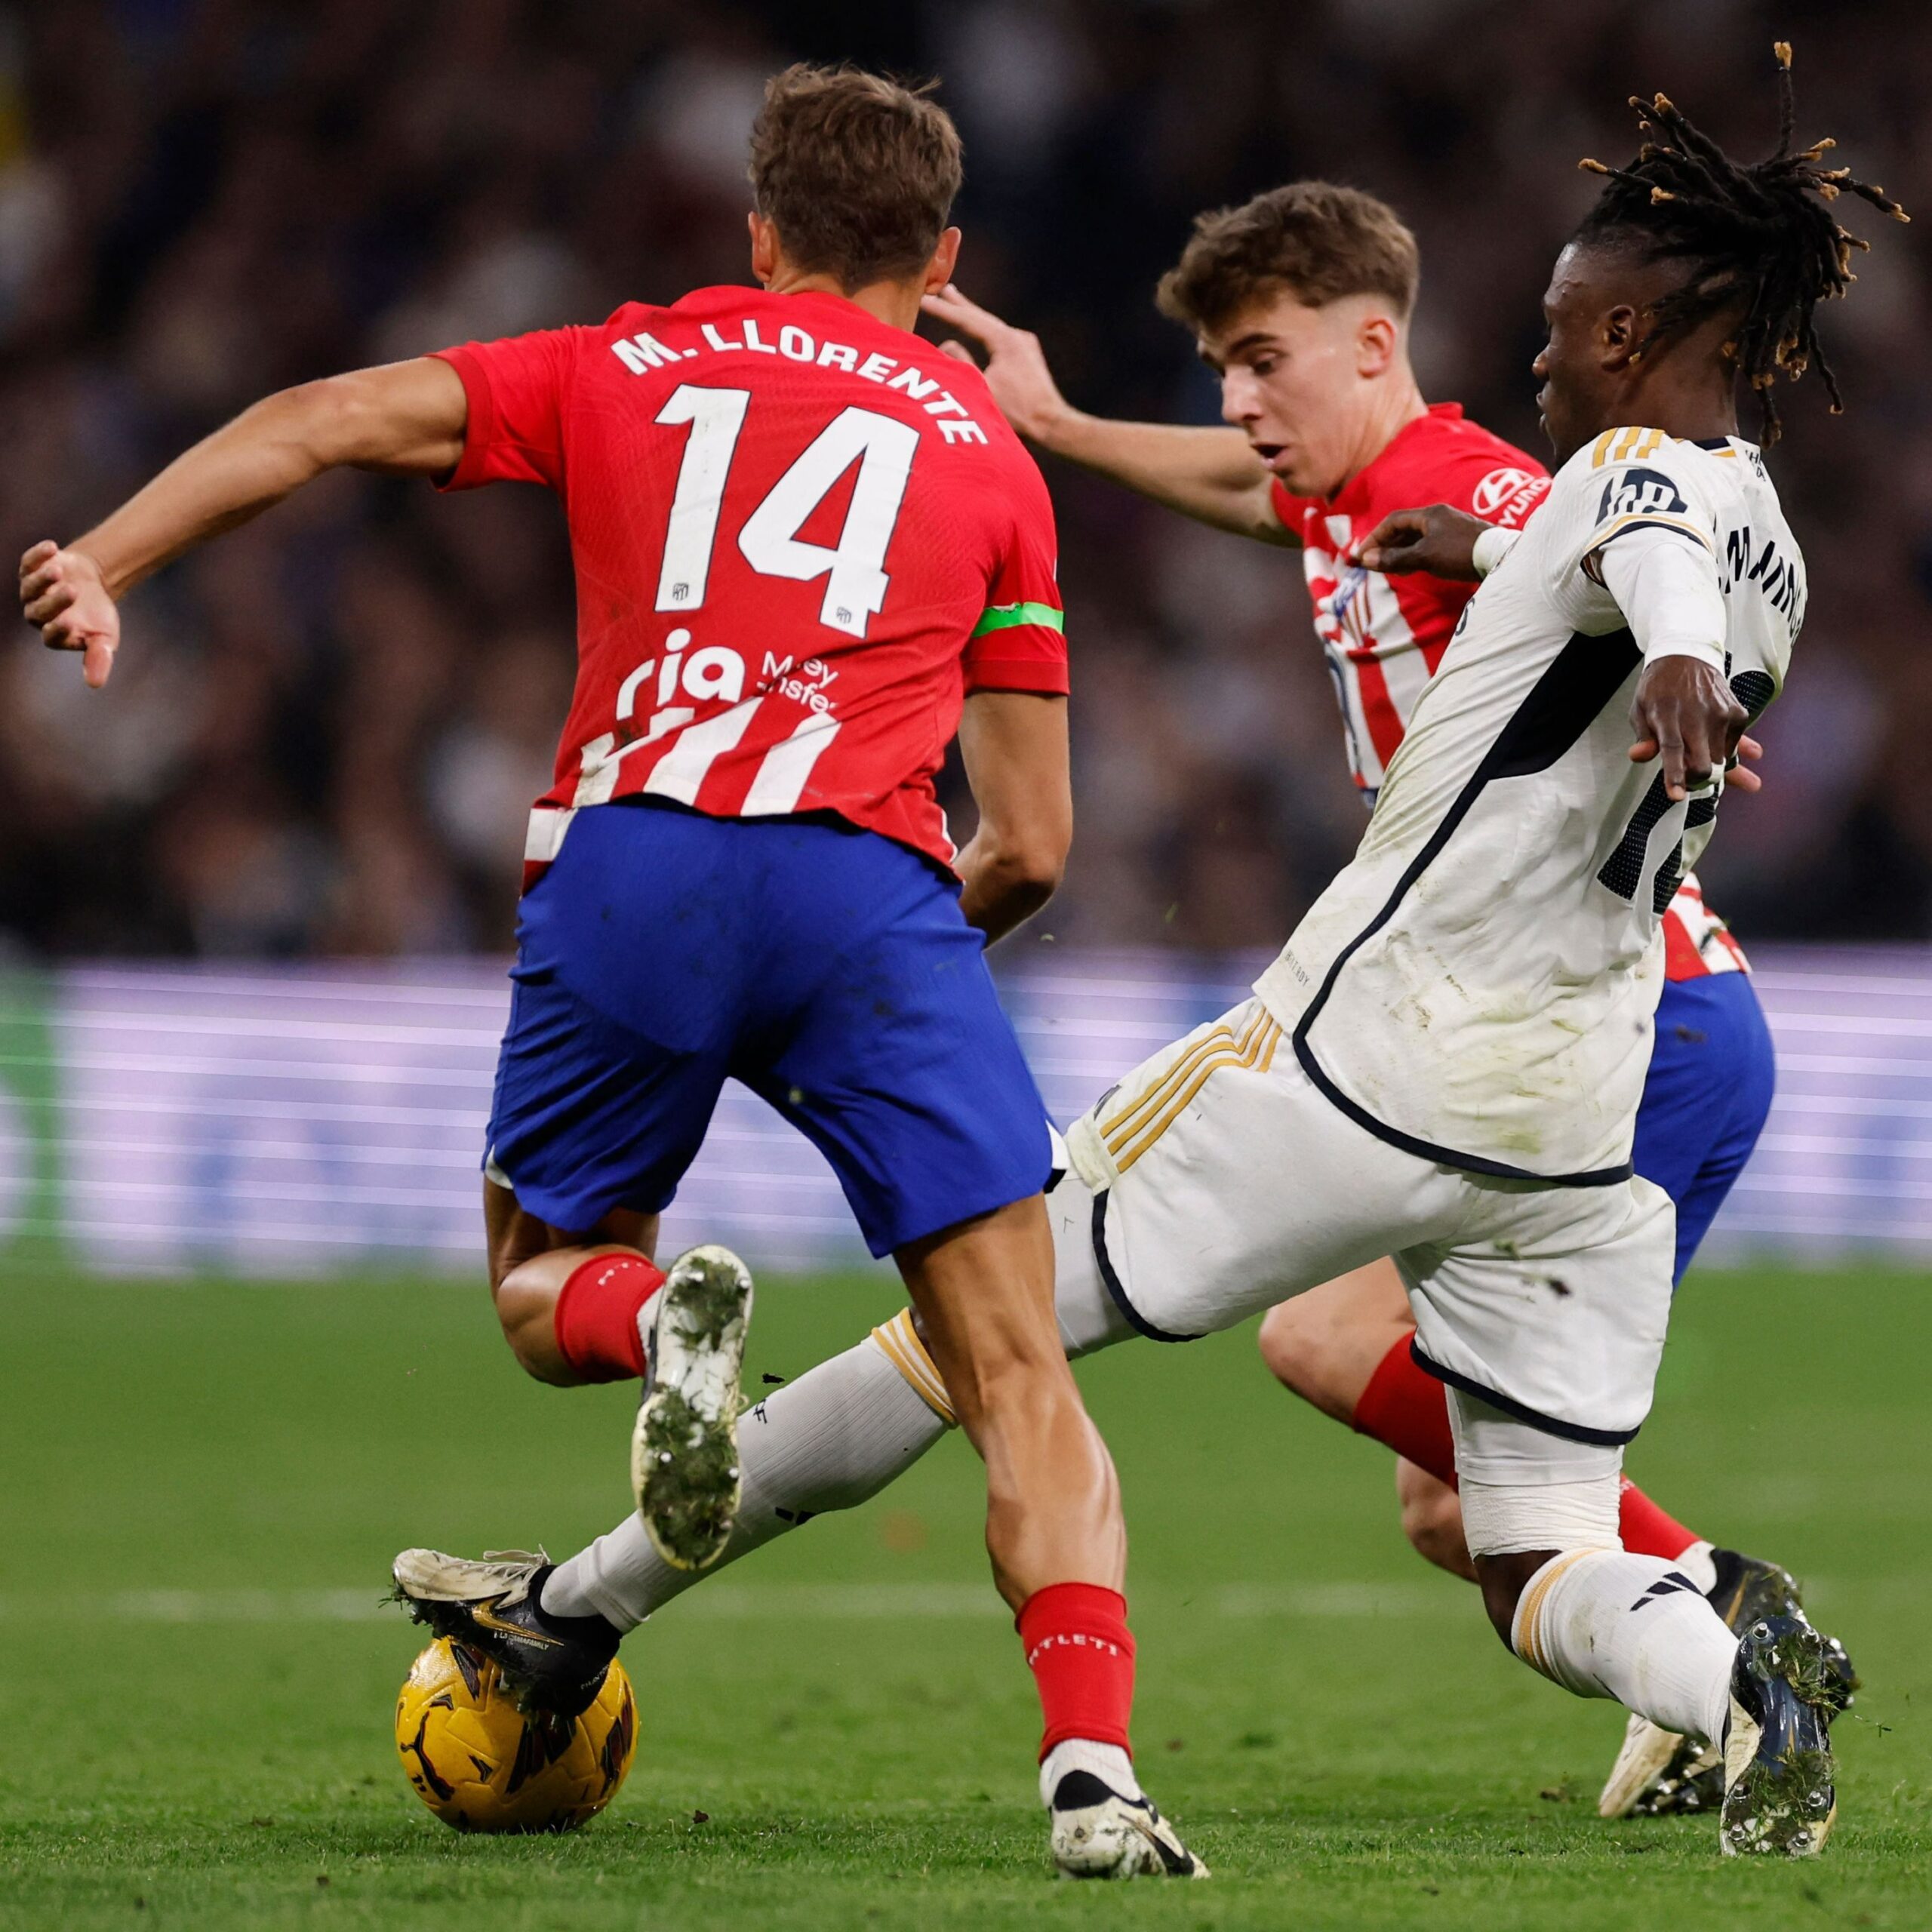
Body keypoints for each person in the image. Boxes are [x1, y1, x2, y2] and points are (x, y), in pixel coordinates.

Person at [380, 44, 1900, 1859]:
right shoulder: (1759, 535)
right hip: (1572, 1091)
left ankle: (578, 1606)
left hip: (1394, 1040)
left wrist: (1637, 634)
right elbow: (1418, 514)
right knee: (1504, 1523)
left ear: (1633, 344)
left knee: (979, 1329)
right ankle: (1723, 1661)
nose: (1540, 365)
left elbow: (1613, 527)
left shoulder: (1584, 477)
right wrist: (1070, 425)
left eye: (1569, 335)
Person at [16, 64, 1202, 1882]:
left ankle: (657, 1326)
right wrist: (882, 965)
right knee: (1014, 1365)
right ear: (943, 252)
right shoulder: (988, 457)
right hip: (872, 890)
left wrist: (105, 561)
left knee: (537, 1275)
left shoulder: (625, 360)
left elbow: (328, 417)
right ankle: (1090, 1781)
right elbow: (1032, 843)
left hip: (637, 856)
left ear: (756, 233)